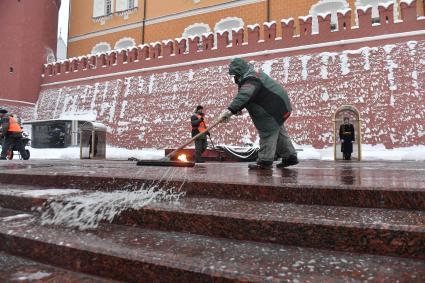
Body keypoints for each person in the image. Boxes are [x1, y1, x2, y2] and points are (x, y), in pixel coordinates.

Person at [218, 58, 298, 170]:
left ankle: (264, 162)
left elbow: (246, 94)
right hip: (281, 108)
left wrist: (230, 110)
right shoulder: (251, 75)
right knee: (278, 131)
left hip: (272, 110)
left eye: (234, 75)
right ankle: (290, 157)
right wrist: (238, 108)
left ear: (239, 71)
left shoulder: (251, 79)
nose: (234, 78)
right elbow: (247, 95)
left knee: (267, 132)